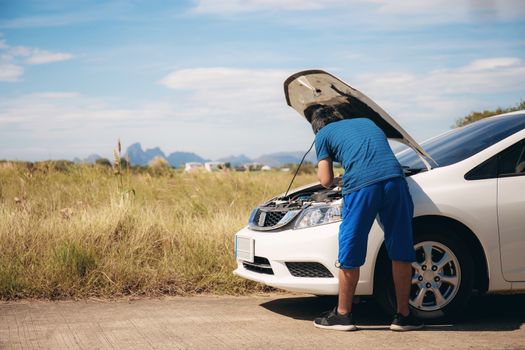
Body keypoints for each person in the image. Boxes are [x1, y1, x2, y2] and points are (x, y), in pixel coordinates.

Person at [310, 105, 424, 332]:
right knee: (401, 247)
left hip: (362, 187)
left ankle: (342, 315)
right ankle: (403, 316)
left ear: (317, 127)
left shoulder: (323, 135)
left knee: (351, 246)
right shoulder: (367, 122)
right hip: (395, 180)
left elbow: (325, 180)